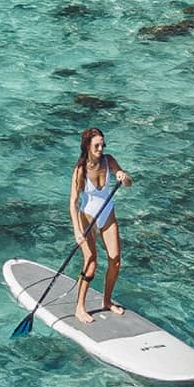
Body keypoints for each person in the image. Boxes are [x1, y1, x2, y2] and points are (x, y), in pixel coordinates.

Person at [69, 127, 133, 323]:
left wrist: (123, 176)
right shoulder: (80, 170)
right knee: (91, 264)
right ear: (87, 146)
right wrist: (77, 231)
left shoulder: (108, 160)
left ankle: (107, 301)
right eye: (96, 145)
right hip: (87, 218)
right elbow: (73, 202)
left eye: (103, 144)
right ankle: (79, 307)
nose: (101, 148)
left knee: (116, 260)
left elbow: (129, 183)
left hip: (107, 215)